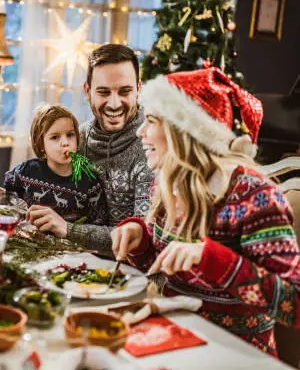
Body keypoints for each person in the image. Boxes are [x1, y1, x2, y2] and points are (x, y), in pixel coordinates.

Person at [112, 67, 300, 356]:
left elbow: (293, 305)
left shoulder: (254, 196)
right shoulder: (167, 183)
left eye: (150, 121)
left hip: (235, 353)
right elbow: (162, 264)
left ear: (182, 133)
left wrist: (213, 259)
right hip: (173, 338)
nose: (140, 131)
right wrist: (139, 237)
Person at [0, 45, 152, 254]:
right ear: (87, 91)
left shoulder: (152, 149)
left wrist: (66, 229)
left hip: (132, 273)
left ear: (139, 89)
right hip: (71, 260)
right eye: (103, 92)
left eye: (125, 91)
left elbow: (144, 240)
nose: (114, 104)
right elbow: (46, 190)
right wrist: (8, 198)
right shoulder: (76, 137)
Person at [0, 104, 107, 228]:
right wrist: (1, 195)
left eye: (70, 135)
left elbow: (98, 224)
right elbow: (11, 205)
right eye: (55, 137)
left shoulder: (90, 182)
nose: (65, 143)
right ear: (41, 145)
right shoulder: (25, 172)